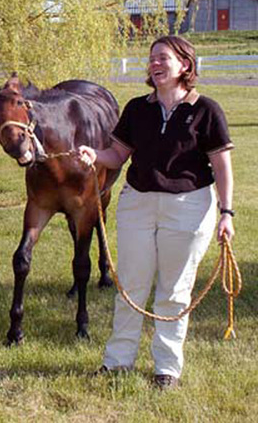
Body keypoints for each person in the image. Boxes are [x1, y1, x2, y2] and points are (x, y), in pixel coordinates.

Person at [78, 35, 235, 390]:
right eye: (152, 59)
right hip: (138, 204)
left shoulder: (206, 110)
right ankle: (117, 362)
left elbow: (222, 166)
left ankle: (166, 368)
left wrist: (227, 212)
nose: (155, 64)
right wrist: (94, 154)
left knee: (174, 290)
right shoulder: (137, 108)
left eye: (163, 58)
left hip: (189, 207)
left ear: (185, 65)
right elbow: (117, 155)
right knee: (130, 286)